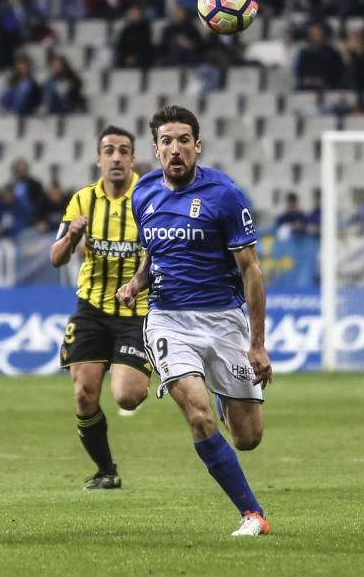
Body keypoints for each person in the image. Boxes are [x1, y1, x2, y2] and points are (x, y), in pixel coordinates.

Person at [116, 105, 273, 537]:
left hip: (223, 319)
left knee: (247, 438)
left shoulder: (225, 195)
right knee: (199, 418)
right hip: (168, 320)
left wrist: (257, 344)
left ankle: (225, 392)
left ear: (197, 146)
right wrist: (137, 282)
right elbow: (153, 254)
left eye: (184, 140)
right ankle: (252, 514)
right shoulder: (143, 193)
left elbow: (251, 271)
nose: (175, 149)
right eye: (166, 141)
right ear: (156, 149)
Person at [50, 127, 151, 490]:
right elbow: (56, 257)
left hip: (136, 312)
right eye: (109, 150)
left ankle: (146, 374)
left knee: (127, 395)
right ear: (98, 159)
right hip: (91, 308)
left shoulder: (149, 198)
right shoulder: (82, 200)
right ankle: (106, 470)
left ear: (133, 158)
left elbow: (162, 254)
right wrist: (72, 237)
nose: (116, 157)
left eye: (124, 150)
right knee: (83, 393)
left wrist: (138, 282)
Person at [294, 23, 343, 91]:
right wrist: (308, 80)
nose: (315, 37)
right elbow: (299, 72)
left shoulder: (332, 53)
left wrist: (321, 80)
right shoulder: (304, 53)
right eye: (313, 34)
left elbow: (335, 72)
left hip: (327, 87)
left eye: (318, 34)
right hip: (306, 87)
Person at [114, 5, 155, 69]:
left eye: (135, 14)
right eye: (131, 14)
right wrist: (126, 57)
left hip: (141, 58)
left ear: (140, 15)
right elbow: (122, 46)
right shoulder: (126, 30)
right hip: (126, 58)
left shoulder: (146, 29)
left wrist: (135, 58)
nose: (133, 16)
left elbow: (146, 46)